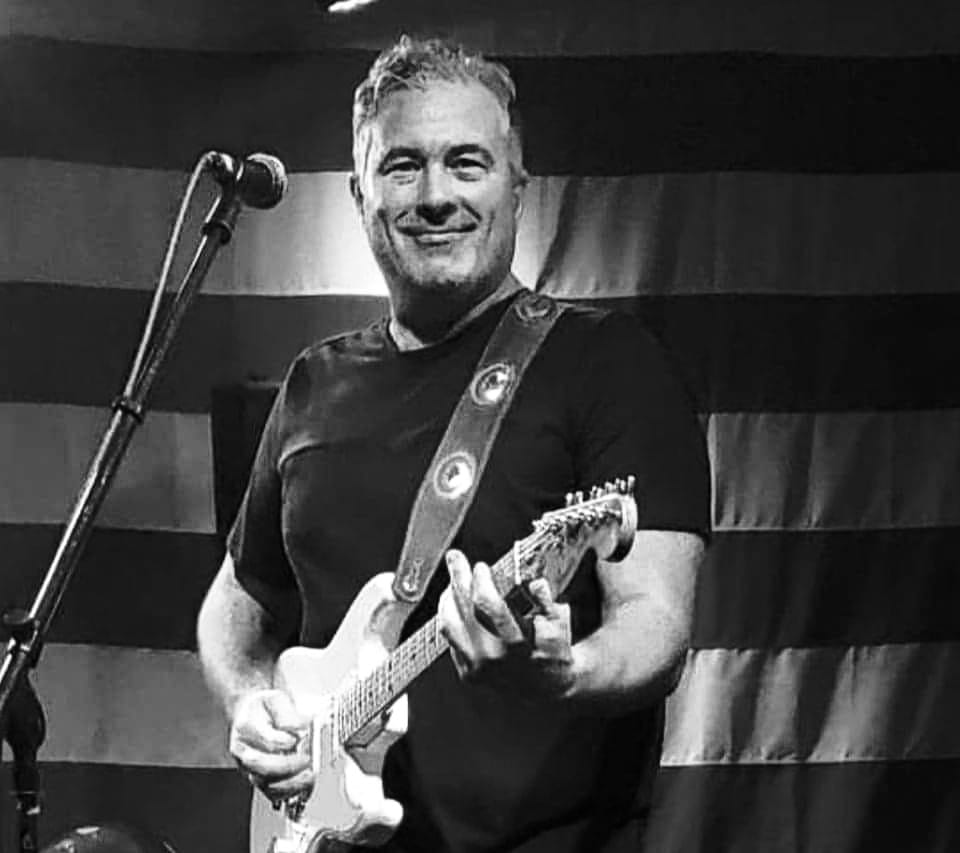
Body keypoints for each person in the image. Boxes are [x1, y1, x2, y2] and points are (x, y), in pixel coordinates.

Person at [197, 36, 710, 853]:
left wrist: (565, 669)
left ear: (516, 185)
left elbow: (657, 620)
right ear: (361, 192)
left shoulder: (609, 363)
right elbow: (235, 601)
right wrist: (251, 703)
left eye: (466, 163)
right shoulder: (311, 384)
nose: (436, 194)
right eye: (404, 166)